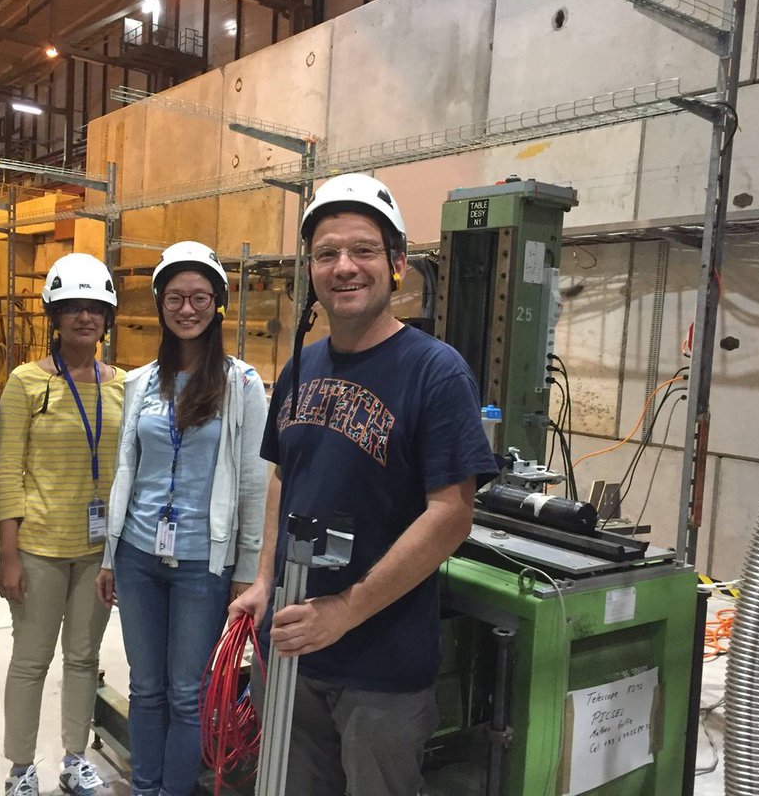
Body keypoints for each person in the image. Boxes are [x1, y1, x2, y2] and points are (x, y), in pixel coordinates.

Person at [229, 173, 498, 796]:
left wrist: (344, 611)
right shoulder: (301, 366)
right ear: (311, 272)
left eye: (363, 251)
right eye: (327, 254)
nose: (344, 267)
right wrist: (264, 580)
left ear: (397, 265)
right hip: (292, 648)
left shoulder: (435, 371)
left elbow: (451, 514)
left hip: (380, 665)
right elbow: (280, 477)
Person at [97, 240, 267, 796]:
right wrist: (109, 555)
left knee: (187, 693)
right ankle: (145, 788)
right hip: (138, 556)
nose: (187, 308)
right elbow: (126, 468)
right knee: (145, 688)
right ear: (160, 304)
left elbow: (253, 482)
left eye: (199, 297)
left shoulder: (242, 386)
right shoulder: (140, 381)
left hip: (203, 564)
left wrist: (247, 568)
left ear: (217, 304)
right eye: (175, 297)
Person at [0, 253, 126, 796]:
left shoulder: (123, 384)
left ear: (107, 317)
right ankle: (21, 769)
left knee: (82, 659)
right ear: (54, 314)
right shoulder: (26, 381)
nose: (84, 317)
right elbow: (8, 469)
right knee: (30, 661)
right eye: (72, 307)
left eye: (94, 308)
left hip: (97, 553)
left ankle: (74, 759)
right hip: (40, 548)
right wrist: (9, 554)